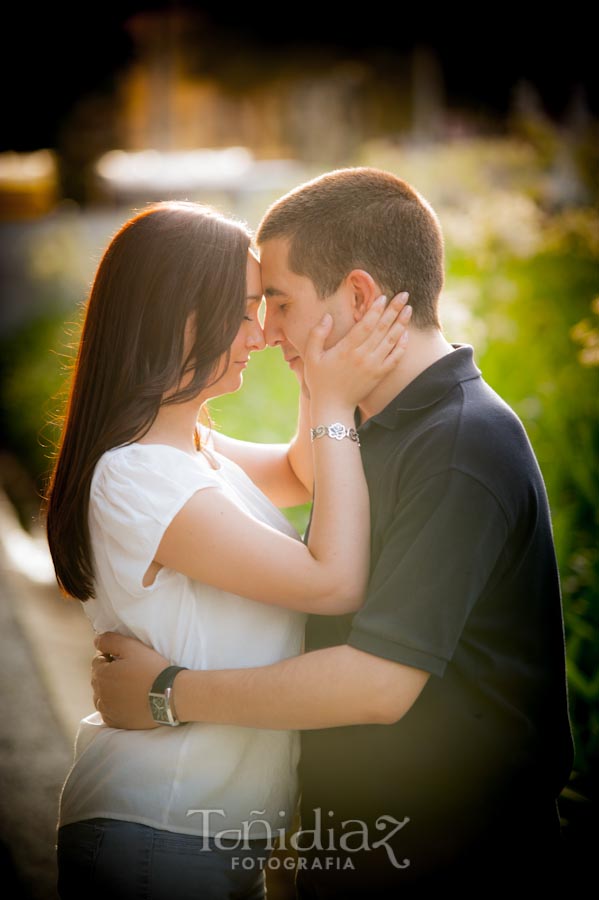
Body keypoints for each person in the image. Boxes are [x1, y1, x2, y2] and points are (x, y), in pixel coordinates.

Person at [92, 169, 575, 896]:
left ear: (355, 296)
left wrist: (169, 692)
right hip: (361, 852)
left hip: (455, 859)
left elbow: (377, 684)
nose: (265, 331)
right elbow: (302, 472)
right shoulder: (367, 431)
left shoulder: (457, 445)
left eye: (277, 303)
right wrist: (324, 390)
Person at [44, 198, 411, 900]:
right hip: (158, 827)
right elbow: (332, 582)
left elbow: (305, 471)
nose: (264, 333)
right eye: (247, 311)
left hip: (200, 830)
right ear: (178, 316)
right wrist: (334, 407)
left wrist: (315, 361)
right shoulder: (138, 474)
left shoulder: (192, 449)